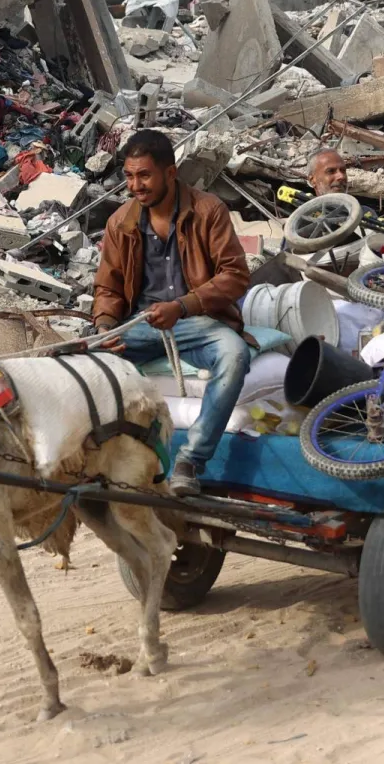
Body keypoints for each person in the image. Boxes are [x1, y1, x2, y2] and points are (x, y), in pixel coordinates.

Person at [93, 129, 252, 497]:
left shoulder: (208, 211)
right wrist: (104, 326)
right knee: (86, 360)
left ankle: (190, 461)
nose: (136, 186)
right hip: (143, 326)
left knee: (235, 355)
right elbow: (108, 288)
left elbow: (235, 276)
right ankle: (106, 457)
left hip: (198, 322)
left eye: (144, 175)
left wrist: (182, 307)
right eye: (130, 176)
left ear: (170, 173)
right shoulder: (121, 222)